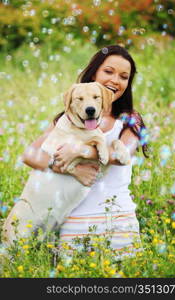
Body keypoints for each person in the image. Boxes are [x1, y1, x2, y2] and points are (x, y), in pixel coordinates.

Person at [22, 45, 149, 257]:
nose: (115, 80)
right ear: (94, 73)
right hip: (75, 221)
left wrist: (80, 150)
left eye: (124, 76)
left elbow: (121, 156)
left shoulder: (130, 119)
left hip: (118, 219)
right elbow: (30, 155)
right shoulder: (69, 119)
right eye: (108, 72)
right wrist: (67, 168)